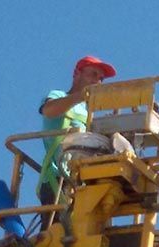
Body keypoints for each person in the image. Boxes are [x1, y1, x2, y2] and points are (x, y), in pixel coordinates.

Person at [37, 55, 116, 229]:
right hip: (57, 180)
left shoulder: (90, 113)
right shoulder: (59, 96)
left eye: (101, 78)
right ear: (77, 74)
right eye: (93, 74)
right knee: (56, 239)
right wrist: (80, 97)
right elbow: (48, 110)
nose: (97, 81)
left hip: (81, 182)